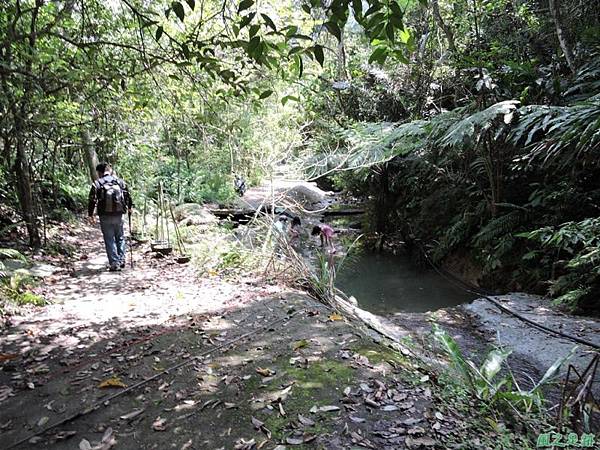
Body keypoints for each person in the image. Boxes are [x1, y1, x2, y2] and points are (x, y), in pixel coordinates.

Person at [87, 162, 133, 272]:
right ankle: (121, 260)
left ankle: (114, 263)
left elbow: (92, 200)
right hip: (119, 214)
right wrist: (130, 207)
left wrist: (90, 214)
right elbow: (127, 195)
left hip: (105, 215)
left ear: (99, 172)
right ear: (109, 170)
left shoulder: (97, 183)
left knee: (109, 239)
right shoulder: (120, 182)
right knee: (120, 237)